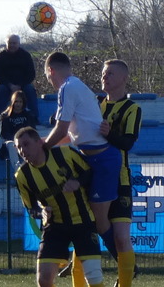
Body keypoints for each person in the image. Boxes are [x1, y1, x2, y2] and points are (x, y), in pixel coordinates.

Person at [13, 125, 108, 287]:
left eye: (26, 144)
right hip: (55, 227)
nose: (23, 151)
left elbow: (90, 172)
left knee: (94, 277)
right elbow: (31, 207)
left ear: (39, 142)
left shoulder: (65, 154)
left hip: (83, 222)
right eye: (18, 148)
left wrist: (78, 182)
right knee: (44, 280)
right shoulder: (23, 176)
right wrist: (41, 211)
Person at [42, 51, 118, 258]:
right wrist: (43, 142)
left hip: (102, 160)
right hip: (91, 159)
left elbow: (61, 129)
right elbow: (71, 134)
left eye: (47, 77)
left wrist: (43, 148)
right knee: (83, 215)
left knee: (101, 222)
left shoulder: (67, 88)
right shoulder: (77, 86)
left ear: (51, 71)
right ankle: (79, 263)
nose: (49, 81)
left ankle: (127, 267)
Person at [98, 58, 142, 287]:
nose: (105, 77)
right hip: (95, 179)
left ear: (123, 78)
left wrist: (108, 134)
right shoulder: (95, 104)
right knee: (97, 231)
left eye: (110, 73)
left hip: (119, 179)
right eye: (103, 73)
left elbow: (127, 143)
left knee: (122, 238)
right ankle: (128, 267)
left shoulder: (132, 108)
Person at [0, 34, 39, 116]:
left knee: (30, 89)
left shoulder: (26, 56)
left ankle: (34, 117)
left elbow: (31, 74)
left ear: (18, 43)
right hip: (6, 85)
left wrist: (19, 85)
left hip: (23, 85)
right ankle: (0, 117)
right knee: (0, 90)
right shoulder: (0, 57)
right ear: (6, 43)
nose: (12, 45)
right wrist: (10, 85)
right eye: (10, 43)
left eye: (14, 43)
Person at [0, 88, 36, 163]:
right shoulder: (5, 115)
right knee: (12, 145)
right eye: (16, 101)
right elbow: (3, 134)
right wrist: (16, 140)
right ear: (12, 102)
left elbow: (32, 130)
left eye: (20, 102)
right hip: (10, 142)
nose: (18, 104)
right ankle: (17, 168)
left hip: (25, 141)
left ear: (23, 103)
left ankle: (30, 165)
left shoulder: (28, 114)